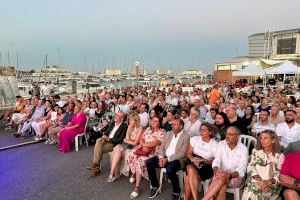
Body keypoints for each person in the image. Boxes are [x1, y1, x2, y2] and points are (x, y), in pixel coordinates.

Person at [146, 119, 189, 200]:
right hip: (165, 157)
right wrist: (161, 157)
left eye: (175, 124)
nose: (172, 125)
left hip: (177, 160)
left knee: (169, 170)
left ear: (181, 126)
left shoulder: (186, 136)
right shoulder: (169, 133)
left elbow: (182, 153)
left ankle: (176, 191)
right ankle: (155, 186)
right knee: (149, 162)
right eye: (172, 124)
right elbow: (162, 146)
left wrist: (167, 159)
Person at [202, 126, 248, 200]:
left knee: (221, 179)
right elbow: (216, 160)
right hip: (220, 174)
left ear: (237, 137)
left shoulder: (243, 149)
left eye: (230, 134)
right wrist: (217, 170)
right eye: (226, 134)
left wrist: (229, 175)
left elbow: (242, 169)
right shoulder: (221, 144)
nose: (227, 136)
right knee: (222, 186)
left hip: (235, 176)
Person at [127, 116, 165, 199]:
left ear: (159, 123)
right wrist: (143, 144)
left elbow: (155, 143)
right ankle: (135, 173)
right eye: (152, 121)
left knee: (139, 160)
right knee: (131, 154)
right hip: (143, 149)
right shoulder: (148, 129)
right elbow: (141, 138)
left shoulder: (162, 132)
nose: (153, 122)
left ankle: (137, 187)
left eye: (156, 121)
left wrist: (145, 145)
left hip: (153, 153)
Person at [242, 130, 284, 200]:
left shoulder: (279, 155)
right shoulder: (256, 151)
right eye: (261, 138)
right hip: (256, 181)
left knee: (254, 192)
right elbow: (250, 167)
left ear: (273, 140)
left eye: (265, 138)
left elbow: (280, 173)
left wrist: (268, 182)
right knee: (252, 191)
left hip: (272, 184)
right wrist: (259, 181)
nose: (262, 140)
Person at [184, 123, 218, 200]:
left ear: (210, 132)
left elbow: (214, 161)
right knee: (190, 168)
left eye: (204, 130)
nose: (201, 131)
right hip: (192, 161)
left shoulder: (215, 144)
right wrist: (193, 159)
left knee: (188, 177)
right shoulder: (195, 139)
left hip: (206, 165)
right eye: (200, 129)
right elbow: (189, 153)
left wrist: (202, 160)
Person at [88, 111, 128, 177]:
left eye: (118, 116)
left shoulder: (124, 126)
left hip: (113, 143)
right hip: (105, 140)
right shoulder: (113, 123)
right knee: (98, 141)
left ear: (122, 118)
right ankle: (96, 166)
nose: (116, 116)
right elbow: (106, 132)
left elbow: (120, 139)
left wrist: (109, 139)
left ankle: (96, 166)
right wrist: (102, 137)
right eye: (116, 115)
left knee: (98, 149)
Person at [107, 113, 143, 182]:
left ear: (136, 121)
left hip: (135, 148)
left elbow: (135, 143)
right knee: (117, 152)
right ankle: (111, 173)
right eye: (129, 120)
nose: (129, 121)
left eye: (131, 120)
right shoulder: (130, 126)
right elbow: (126, 139)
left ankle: (130, 173)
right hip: (127, 146)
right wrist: (129, 130)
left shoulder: (140, 128)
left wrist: (127, 140)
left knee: (117, 151)